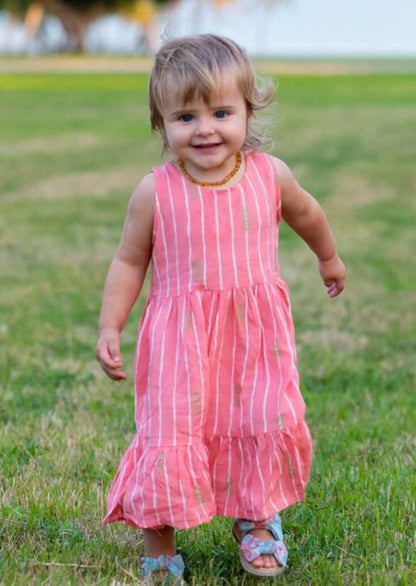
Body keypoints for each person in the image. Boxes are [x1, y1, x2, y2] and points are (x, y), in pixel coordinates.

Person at [96, 33, 346, 583]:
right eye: (185, 116)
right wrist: (111, 324)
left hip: (254, 337)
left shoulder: (268, 175)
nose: (205, 128)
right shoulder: (154, 191)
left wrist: (328, 257)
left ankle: (257, 521)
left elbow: (307, 213)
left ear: (248, 111)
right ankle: (159, 541)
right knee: (169, 429)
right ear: (162, 124)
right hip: (178, 342)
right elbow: (129, 262)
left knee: (259, 417)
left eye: (221, 112)